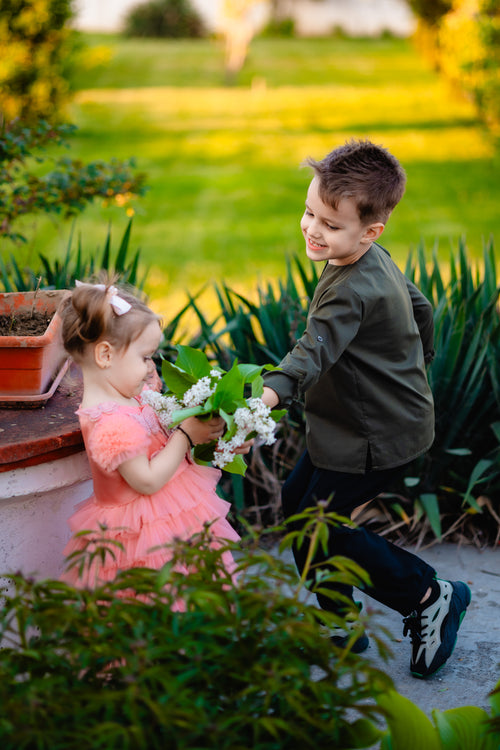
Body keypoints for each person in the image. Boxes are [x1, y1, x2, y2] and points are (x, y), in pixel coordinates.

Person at [261, 139, 471, 678]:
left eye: (329, 224)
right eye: (310, 212)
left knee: (318, 528)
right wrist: (414, 365)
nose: (312, 229)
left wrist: (269, 394)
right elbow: (420, 307)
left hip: (375, 438)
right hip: (362, 424)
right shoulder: (371, 258)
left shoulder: (348, 288)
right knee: (297, 505)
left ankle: (428, 594)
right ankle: (339, 622)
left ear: (370, 231)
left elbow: (314, 348)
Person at [58, 279, 241, 595]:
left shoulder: (133, 396)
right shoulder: (109, 422)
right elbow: (146, 480)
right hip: (140, 543)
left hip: (172, 522)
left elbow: (161, 441)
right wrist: (184, 434)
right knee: (158, 607)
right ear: (105, 355)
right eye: (145, 357)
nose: (151, 367)